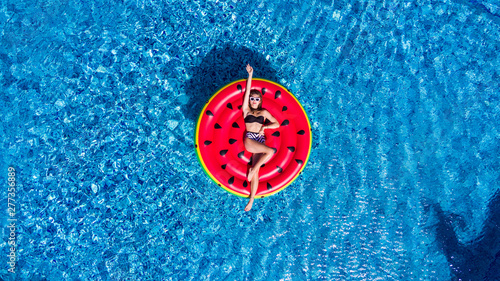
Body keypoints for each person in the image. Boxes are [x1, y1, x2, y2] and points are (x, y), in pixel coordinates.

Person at [242, 64, 280, 211]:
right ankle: (252, 170)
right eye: (252, 98)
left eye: (257, 99)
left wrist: (265, 127)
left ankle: (251, 200)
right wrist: (250, 74)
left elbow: (276, 124)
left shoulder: (264, 112)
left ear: (260, 101)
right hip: (250, 140)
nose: (254, 101)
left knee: (257, 171)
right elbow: (246, 93)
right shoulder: (246, 111)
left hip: (260, 141)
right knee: (270, 152)